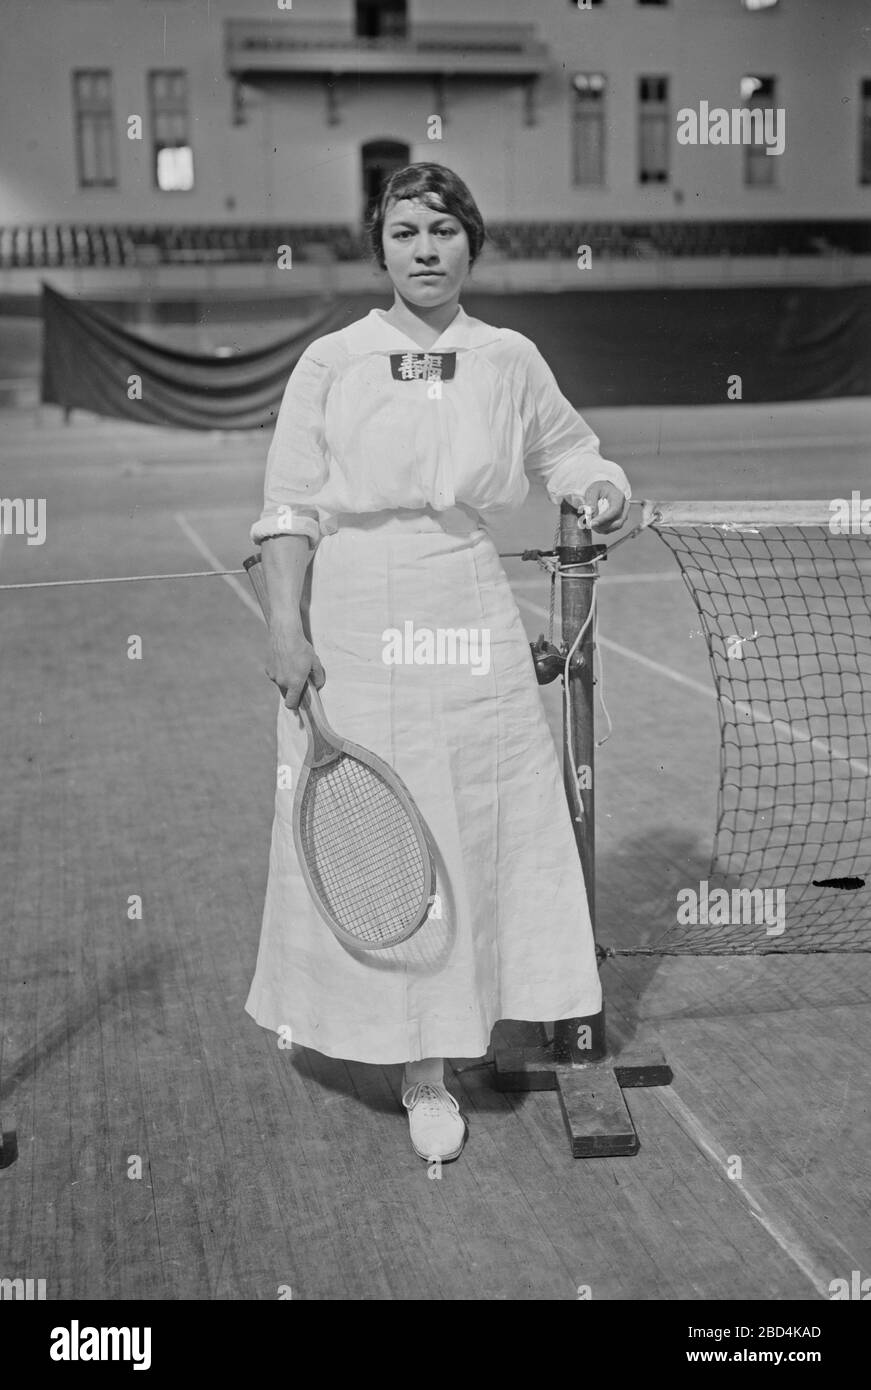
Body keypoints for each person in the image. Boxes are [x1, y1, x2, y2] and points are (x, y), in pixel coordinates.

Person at [245, 163, 631, 1164]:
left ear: (472, 243)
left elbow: (570, 451)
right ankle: (421, 1067)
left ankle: (494, 1017)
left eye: (445, 230)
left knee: (487, 823)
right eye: (406, 230)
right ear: (379, 246)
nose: (426, 248)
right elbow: (287, 510)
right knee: (390, 848)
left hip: (470, 609)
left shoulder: (508, 357)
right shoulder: (332, 361)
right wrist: (286, 630)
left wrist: (599, 488)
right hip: (358, 617)